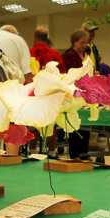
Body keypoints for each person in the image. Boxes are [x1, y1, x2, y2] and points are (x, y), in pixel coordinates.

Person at [0, 24, 32, 154]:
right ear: (15, 33)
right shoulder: (18, 40)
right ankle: (12, 160)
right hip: (12, 89)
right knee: (13, 127)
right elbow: (27, 73)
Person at [29, 27, 67, 158]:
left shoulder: (29, 53)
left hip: (34, 92)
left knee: (34, 122)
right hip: (51, 93)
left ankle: (33, 152)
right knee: (51, 124)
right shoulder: (55, 54)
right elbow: (62, 74)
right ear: (46, 38)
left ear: (34, 37)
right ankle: (51, 152)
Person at [63, 29, 90, 159]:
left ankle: (84, 151)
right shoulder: (69, 55)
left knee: (86, 121)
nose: (84, 45)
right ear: (74, 42)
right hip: (74, 91)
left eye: (86, 43)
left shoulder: (86, 55)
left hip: (86, 91)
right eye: (82, 42)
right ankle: (75, 153)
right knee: (75, 121)